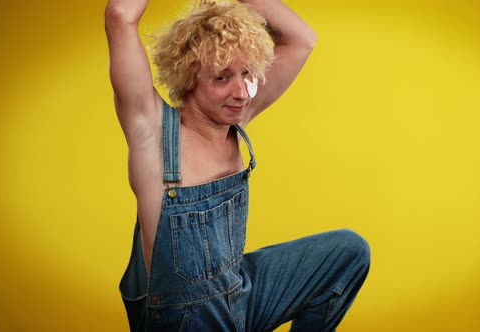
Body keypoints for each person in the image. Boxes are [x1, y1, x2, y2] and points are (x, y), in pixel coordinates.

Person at [105, 0, 371, 330]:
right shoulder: (152, 132)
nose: (241, 92)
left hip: (240, 294)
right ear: (189, 78)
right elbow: (120, 15)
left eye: (247, 74)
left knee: (348, 251)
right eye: (221, 78)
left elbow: (301, 39)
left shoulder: (237, 117)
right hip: (189, 320)